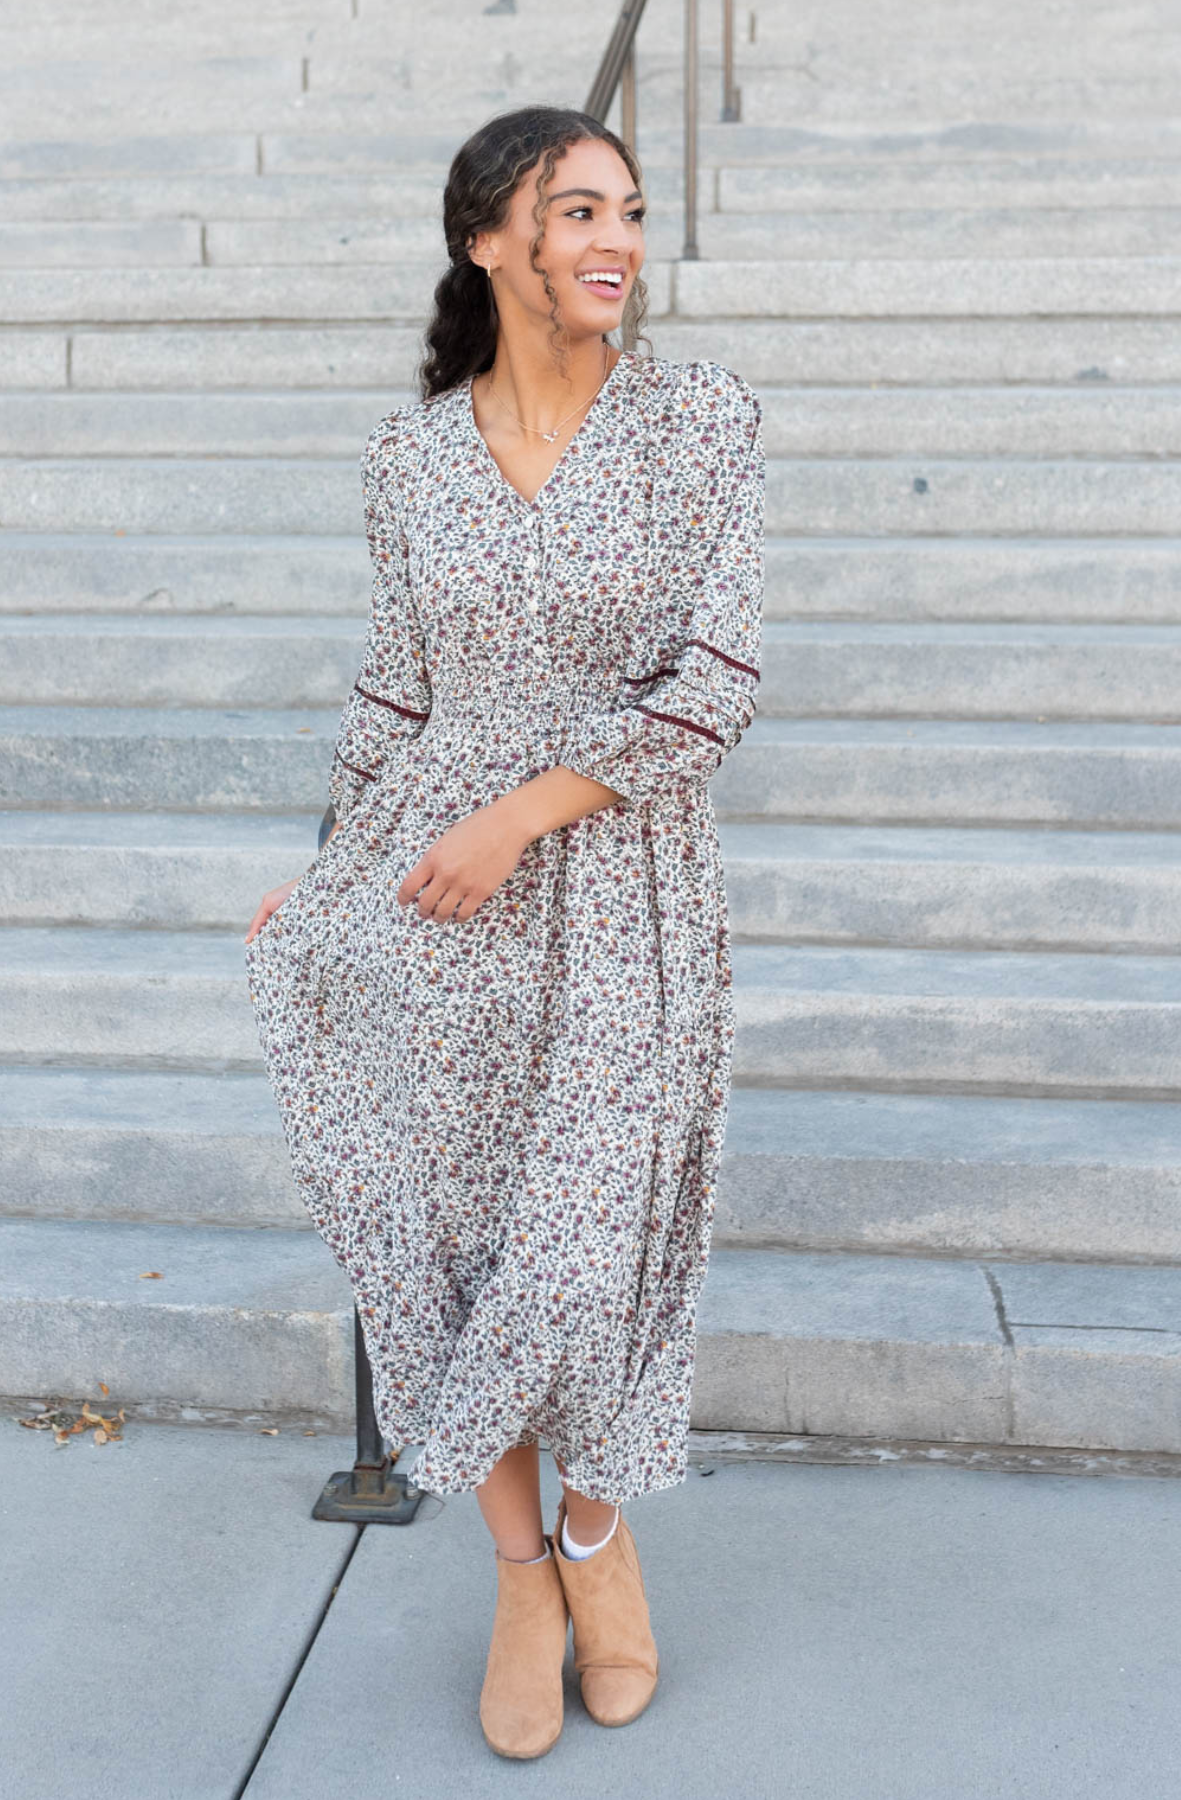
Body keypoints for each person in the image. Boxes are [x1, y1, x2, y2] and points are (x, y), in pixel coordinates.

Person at [244, 102, 765, 1759]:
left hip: (620, 886)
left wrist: (519, 810)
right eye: (576, 210)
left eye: (627, 209)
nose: (615, 238)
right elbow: (395, 686)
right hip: (431, 906)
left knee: (590, 1253)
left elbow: (716, 688)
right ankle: (522, 1576)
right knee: (457, 1254)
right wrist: (332, 870)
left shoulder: (701, 426)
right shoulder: (411, 460)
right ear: (489, 242)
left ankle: (601, 1541)